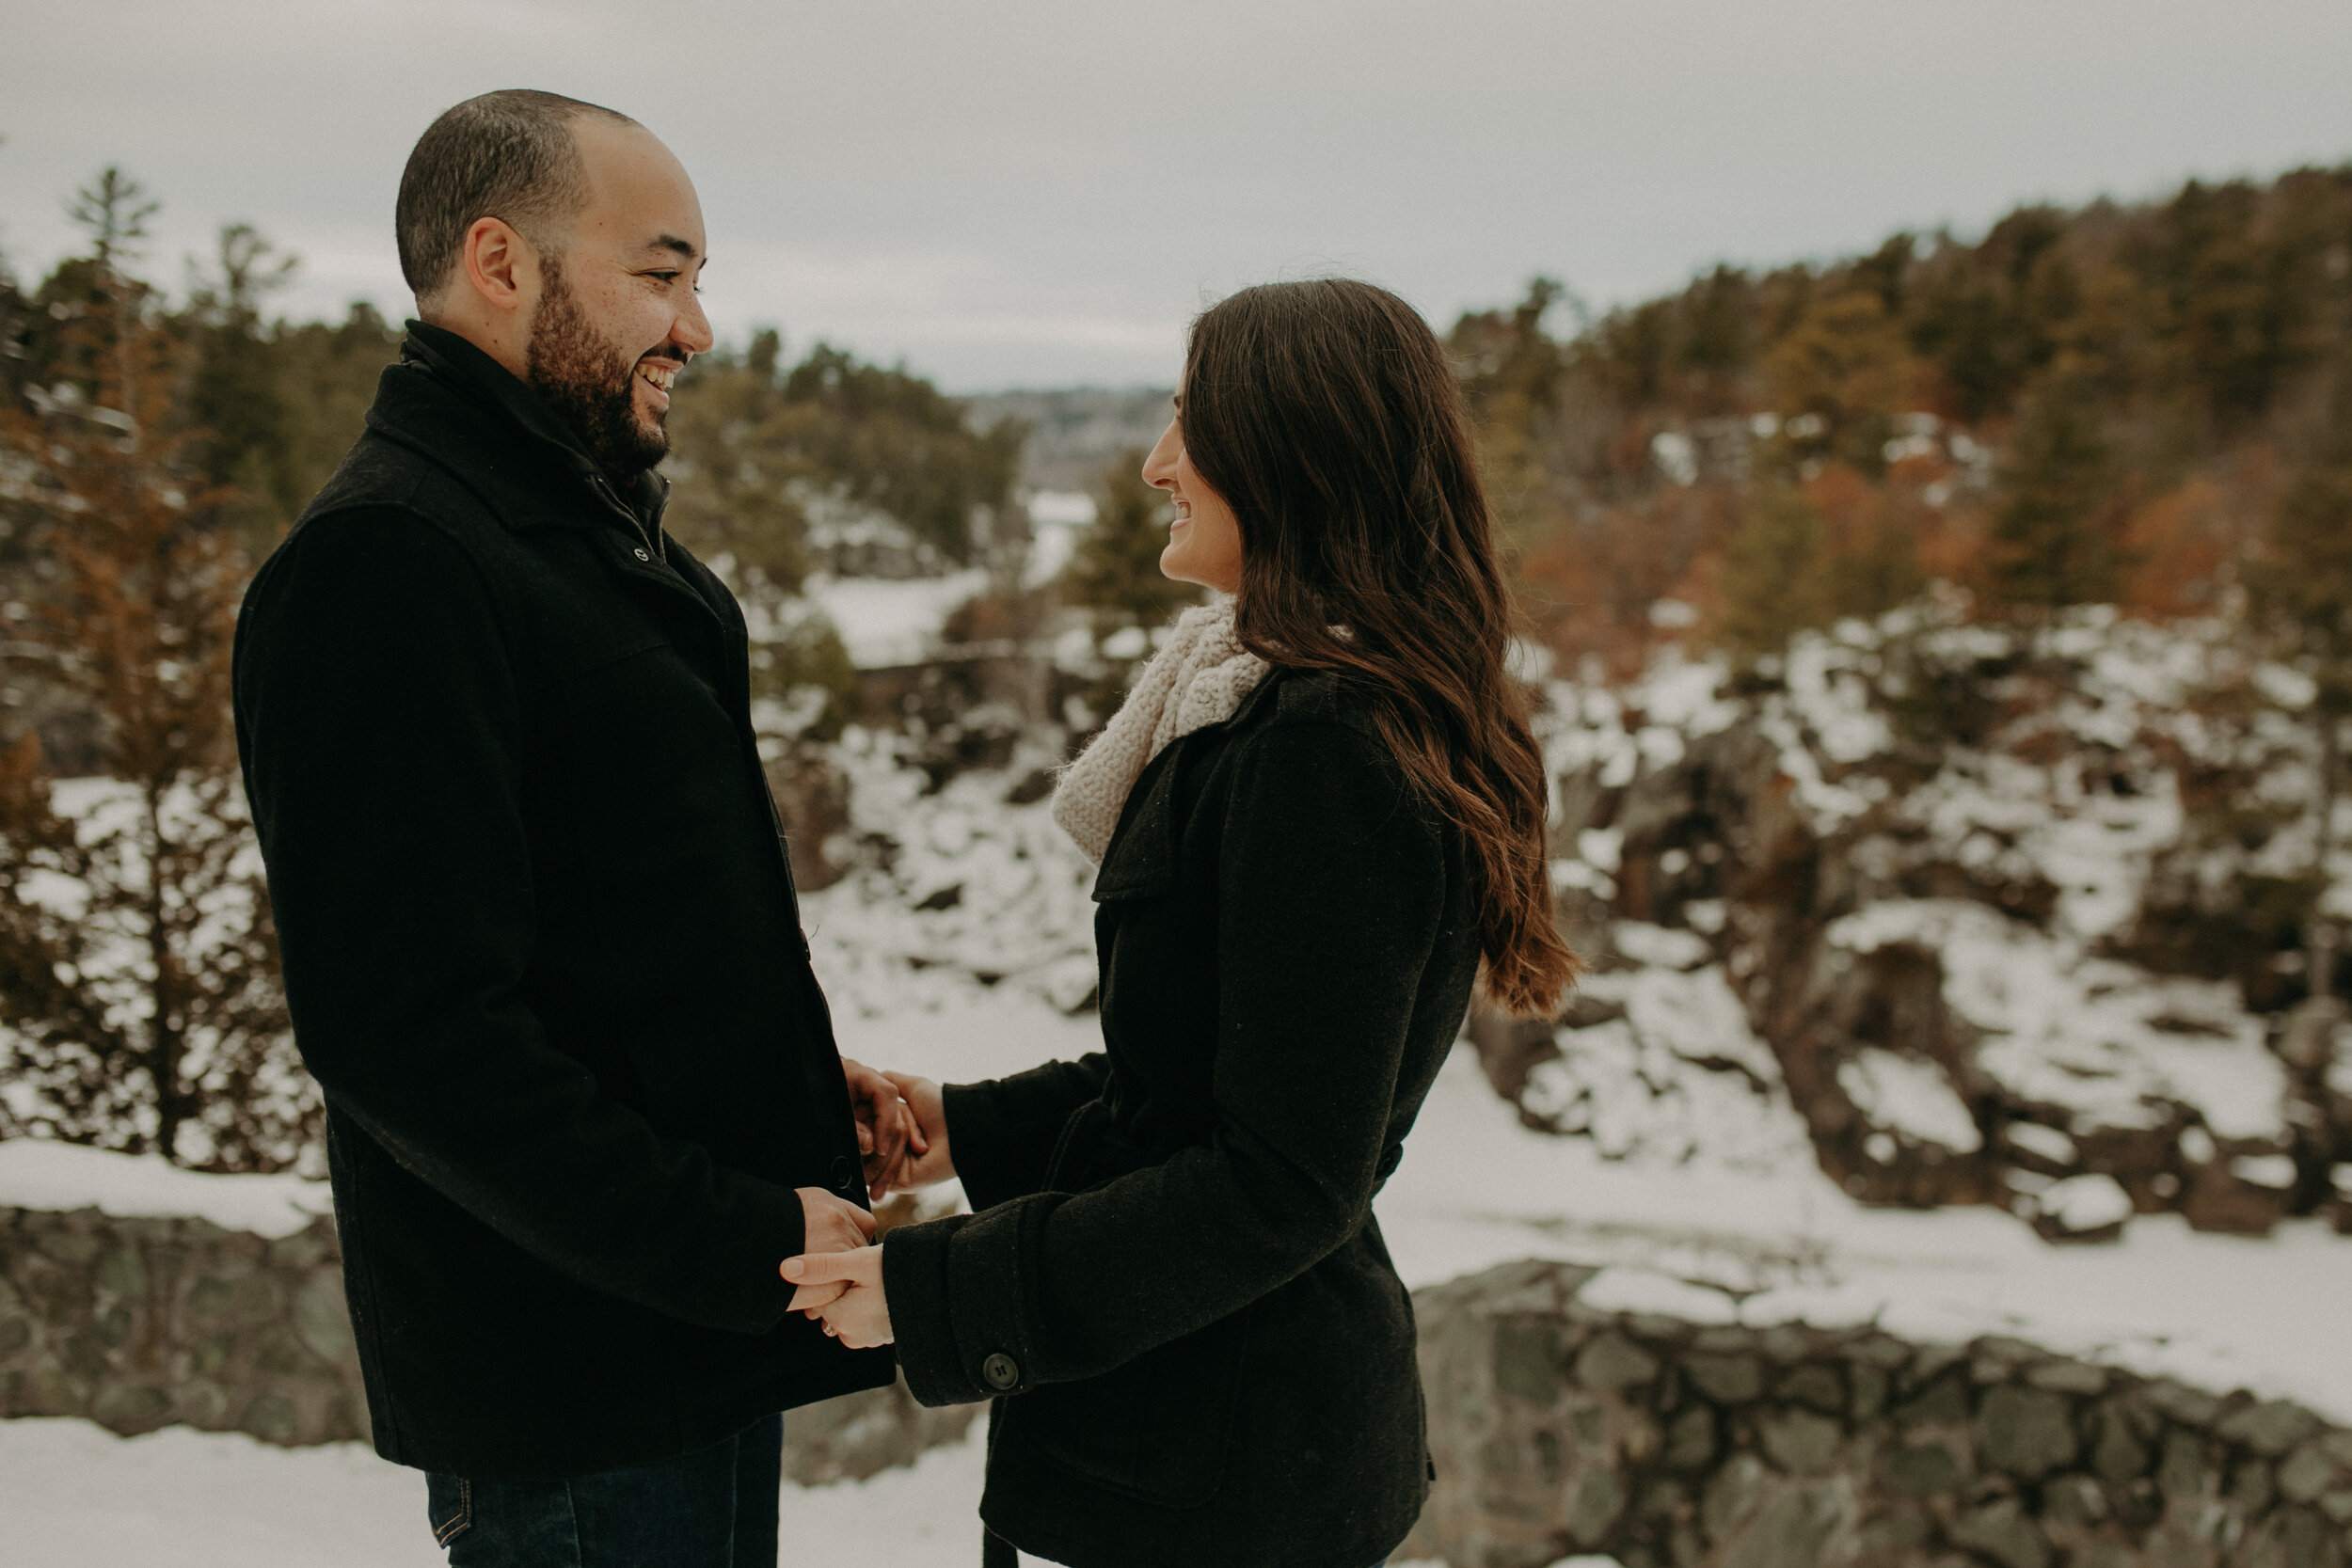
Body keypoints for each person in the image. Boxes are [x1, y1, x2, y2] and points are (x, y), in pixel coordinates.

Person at [788, 278, 1580, 1568]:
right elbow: (1204, 1084)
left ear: (1290, 450)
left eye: (1185, 424)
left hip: (1218, 1473)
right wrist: (955, 1126)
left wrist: (934, 1294)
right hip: (1192, 1443)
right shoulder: (1271, 707)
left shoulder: (1325, 747)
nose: (1158, 464)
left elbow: (1277, 1182)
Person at [232, 90, 914, 1566]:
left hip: (683, 1349)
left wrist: (783, 1084)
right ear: (501, 261)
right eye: (660, 276)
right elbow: (410, 1035)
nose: (700, 327)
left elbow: (612, 924)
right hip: (570, 1395)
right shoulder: (390, 563)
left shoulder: (566, 528)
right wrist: (734, 1237)